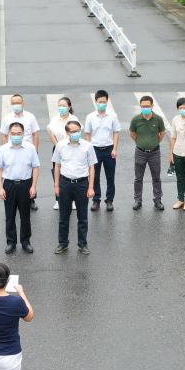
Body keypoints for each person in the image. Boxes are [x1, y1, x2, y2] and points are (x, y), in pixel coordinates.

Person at [52, 120, 97, 254]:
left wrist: (91, 187)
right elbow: (57, 166)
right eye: (73, 131)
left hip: (82, 184)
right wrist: (56, 185)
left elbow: (92, 167)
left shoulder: (88, 146)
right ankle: (63, 243)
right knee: (63, 216)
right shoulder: (60, 146)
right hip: (65, 184)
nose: (76, 133)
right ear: (67, 133)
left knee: (82, 216)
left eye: (78, 130)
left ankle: (82, 244)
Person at [0, 122, 40, 254]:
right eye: (13, 134)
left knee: (25, 215)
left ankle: (26, 242)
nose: (16, 136)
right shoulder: (3, 149)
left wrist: (33, 186)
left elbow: (35, 167)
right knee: (10, 215)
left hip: (25, 184)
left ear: (23, 133)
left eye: (18, 133)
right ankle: (11, 242)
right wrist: (0, 187)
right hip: (8, 184)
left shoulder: (30, 148)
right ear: (9, 134)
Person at [0, 93, 41, 211]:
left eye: (18, 103)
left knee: (29, 176)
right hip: (12, 151)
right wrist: (4, 151)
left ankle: (31, 199)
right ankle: (13, 198)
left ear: (23, 103)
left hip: (27, 151)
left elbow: (35, 134)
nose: (16, 105)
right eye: (14, 103)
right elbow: (3, 135)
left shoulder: (30, 117)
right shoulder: (7, 119)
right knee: (14, 174)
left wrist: (35, 150)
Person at [84, 90, 120, 212]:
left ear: (107, 101)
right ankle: (96, 200)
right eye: (100, 102)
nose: (102, 104)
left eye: (104, 102)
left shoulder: (112, 116)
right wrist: (89, 149)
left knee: (110, 177)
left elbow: (116, 132)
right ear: (96, 102)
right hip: (95, 150)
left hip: (109, 149)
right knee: (95, 177)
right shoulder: (90, 117)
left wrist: (115, 148)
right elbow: (87, 133)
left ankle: (109, 200)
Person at [129, 95, 167, 211]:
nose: (145, 108)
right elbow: (133, 133)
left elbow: (162, 133)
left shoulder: (158, 119)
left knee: (156, 177)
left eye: (148, 106)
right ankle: (137, 200)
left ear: (152, 106)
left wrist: (154, 143)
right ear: (140, 106)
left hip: (154, 152)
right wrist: (141, 142)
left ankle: (158, 200)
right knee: (138, 178)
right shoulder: (136, 119)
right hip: (140, 152)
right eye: (143, 106)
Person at [46, 96, 78, 211]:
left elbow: (77, 134)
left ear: (69, 107)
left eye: (64, 105)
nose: (62, 108)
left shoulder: (74, 119)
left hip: (72, 148)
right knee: (57, 174)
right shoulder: (55, 120)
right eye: (60, 106)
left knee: (71, 174)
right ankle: (58, 200)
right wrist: (58, 147)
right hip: (58, 149)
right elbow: (51, 134)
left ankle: (73, 200)